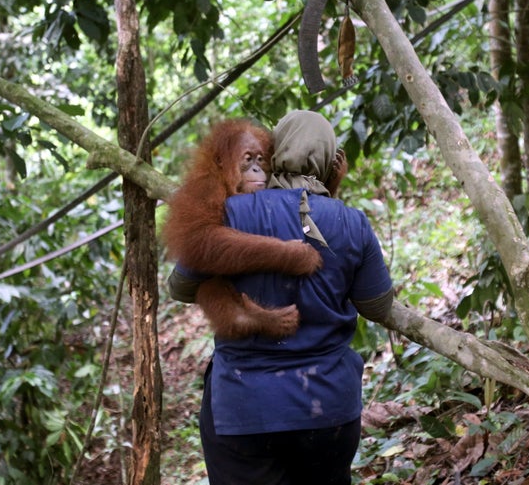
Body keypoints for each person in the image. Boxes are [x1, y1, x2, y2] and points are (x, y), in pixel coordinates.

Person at [168, 110, 394, 485]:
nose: (257, 171)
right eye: (249, 163)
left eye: (262, 161)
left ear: (277, 155)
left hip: (244, 409)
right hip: (328, 408)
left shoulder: (231, 213)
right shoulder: (352, 221)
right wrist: (294, 253)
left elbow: (179, 287)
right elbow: (378, 306)